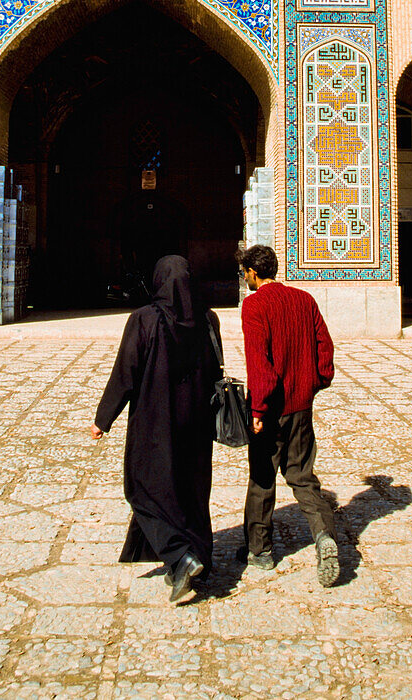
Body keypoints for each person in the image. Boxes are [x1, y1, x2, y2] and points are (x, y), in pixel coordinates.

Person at [90, 255, 220, 603]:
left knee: (143, 486)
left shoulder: (144, 320)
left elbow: (126, 373)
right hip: (197, 421)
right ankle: (200, 557)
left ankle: (180, 556)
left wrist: (104, 418)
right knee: (192, 487)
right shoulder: (209, 319)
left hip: (155, 419)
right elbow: (216, 370)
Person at [236, 244, 339, 587]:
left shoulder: (254, 305)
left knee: (262, 477)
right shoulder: (304, 300)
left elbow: (259, 362)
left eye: (245, 273)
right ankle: (324, 535)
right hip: (301, 405)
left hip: (272, 409)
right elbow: (325, 346)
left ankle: (260, 551)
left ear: (252, 272)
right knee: (302, 474)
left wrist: (258, 408)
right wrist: (316, 382)